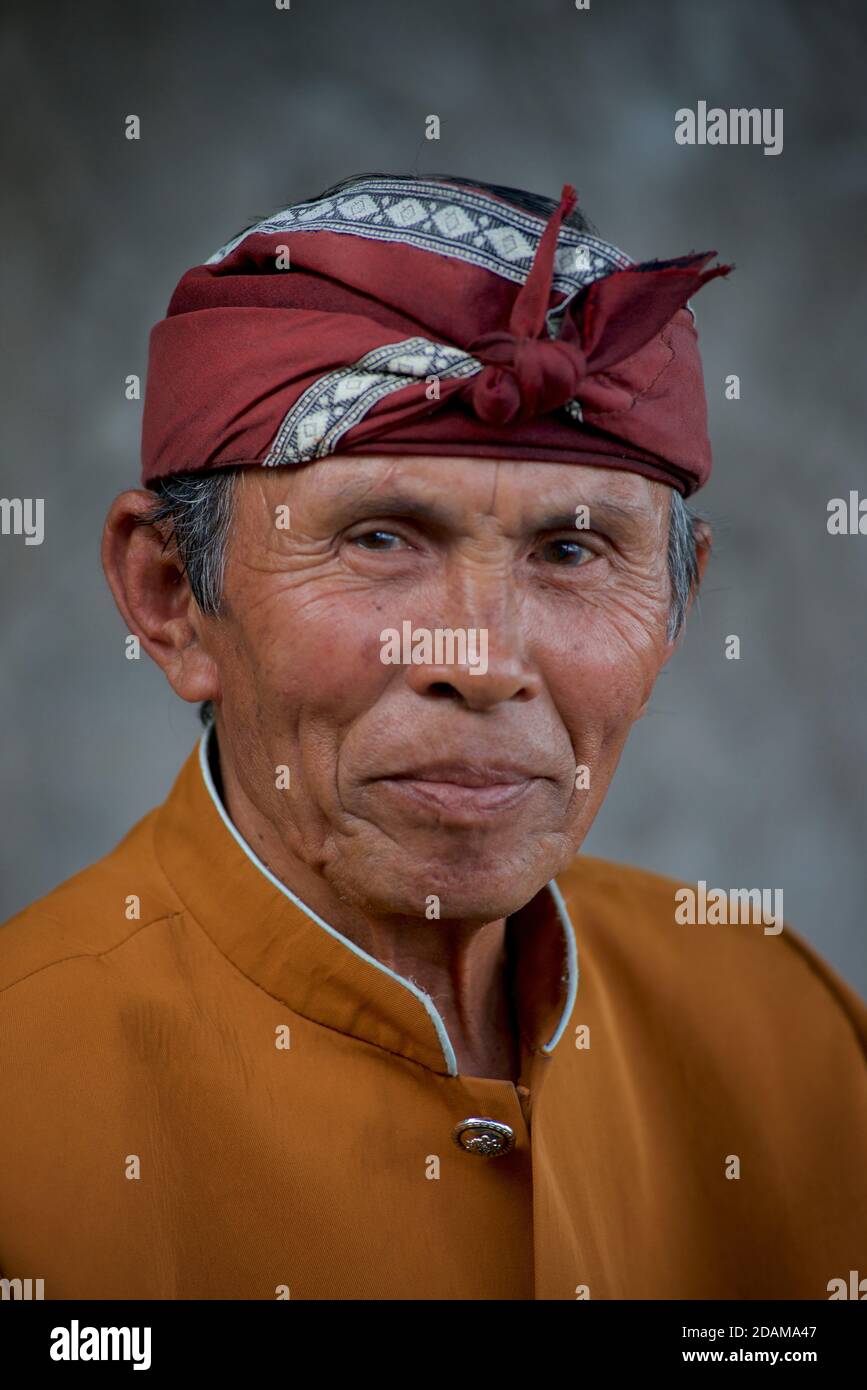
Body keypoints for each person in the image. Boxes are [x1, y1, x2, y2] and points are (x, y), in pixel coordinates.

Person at [1, 173, 864, 1301]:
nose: (486, 659)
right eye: (379, 537)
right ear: (170, 596)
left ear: (678, 608)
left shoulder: (786, 1028)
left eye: (573, 551)